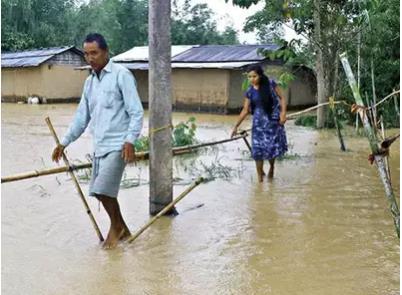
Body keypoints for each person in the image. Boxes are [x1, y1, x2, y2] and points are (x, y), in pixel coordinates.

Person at [51, 33, 144, 249]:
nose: (90, 58)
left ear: (105, 52)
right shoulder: (89, 83)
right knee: (99, 192)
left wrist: (130, 141)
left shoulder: (122, 75)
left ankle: (116, 228)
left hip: (119, 145)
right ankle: (123, 230)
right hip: (100, 146)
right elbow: (82, 117)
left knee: (103, 190)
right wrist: (64, 143)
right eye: (86, 54)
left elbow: (136, 112)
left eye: (94, 53)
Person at [231, 65, 288, 182]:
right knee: (257, 151)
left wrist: (283, 114)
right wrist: (236, 126)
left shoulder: (271, 84)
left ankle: (272, 167)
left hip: (272, 123)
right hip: (258, 126)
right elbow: (245, 110)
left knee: (271, 149)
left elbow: (282, 98)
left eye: (254, 76)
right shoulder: (250, 91)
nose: (252, 79)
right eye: (249, 77)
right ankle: (260, 180)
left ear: (260, 76)